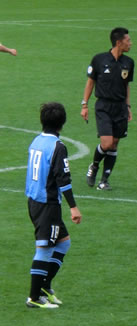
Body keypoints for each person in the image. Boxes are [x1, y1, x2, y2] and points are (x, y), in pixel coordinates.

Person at [25, 102, 82, 308]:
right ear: (62, 123)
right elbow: (63, 179)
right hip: (47, 205)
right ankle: (34, 298)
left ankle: (44, 286)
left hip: (34, 201)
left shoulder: (36, 141)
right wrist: (73, 207)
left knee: (63, 242)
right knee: (44, 248)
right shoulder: (58, 147)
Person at [81, 27, 134, 191]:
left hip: (120, 107)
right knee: (107, 143)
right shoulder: (99, 59)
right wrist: (84, 105)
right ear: (118, 42)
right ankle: (94, 166)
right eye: (128, 41)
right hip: (103, 106)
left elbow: (126, 86)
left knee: (115, 144)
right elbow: (90, 82)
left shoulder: (129, 62)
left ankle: (104, 181)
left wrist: (128, 106)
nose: (130, 43)